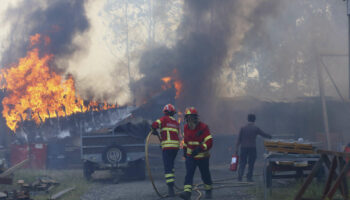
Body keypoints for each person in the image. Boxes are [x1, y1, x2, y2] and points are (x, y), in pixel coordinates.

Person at [179, 107, 213, 200]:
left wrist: (200, 148)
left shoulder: (203, 127)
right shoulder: (186, 127)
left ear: (196, 118)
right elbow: (186, 140)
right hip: (191, 157)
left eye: (192, 117)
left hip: (203, 157)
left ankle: (208, 191)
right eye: (188, 118)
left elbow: (209, 142)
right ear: (186, 119)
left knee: (205, 174)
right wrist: (185, 151)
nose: (190, 120)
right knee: (189, 174)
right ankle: (187, 193)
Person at [151, 104, 180, 196]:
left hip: (167, 148)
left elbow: (154, 124)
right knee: (171, 166)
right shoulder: (176, 122)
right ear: (173, 113)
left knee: (168, 167)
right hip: (175, 148)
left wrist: (153, 129)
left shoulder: (163, 119)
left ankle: (170, 190)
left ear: (165, 112)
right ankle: (172, 185)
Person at [235, 113, 272, 182]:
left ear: (247, 119)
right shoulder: (255, 128)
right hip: (252, 148)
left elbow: (239, 139)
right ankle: (249, 177)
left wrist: (236, 149)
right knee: (251, 163)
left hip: (243, 148)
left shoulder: (242, 128)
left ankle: (240, 176)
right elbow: (263, 134)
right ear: (254, 120)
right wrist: (270, 136)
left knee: (242, 162)